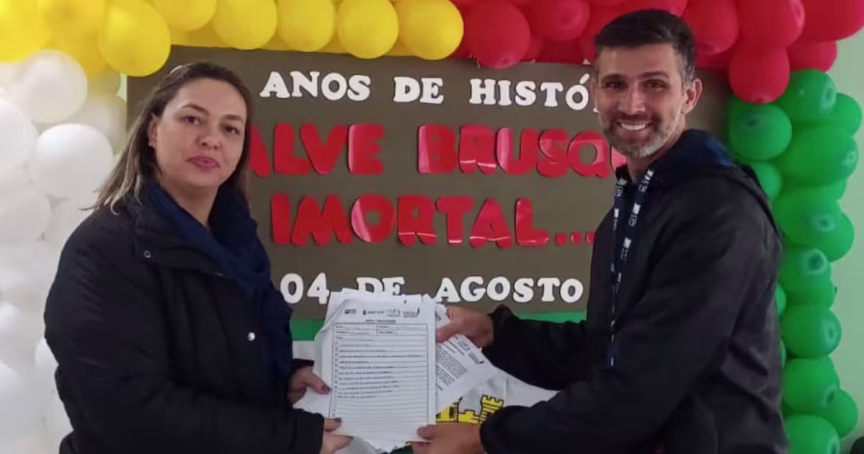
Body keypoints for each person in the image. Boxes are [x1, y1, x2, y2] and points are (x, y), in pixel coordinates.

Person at [414, 9, 786, 454]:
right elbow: (607, 349)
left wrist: (484, 438)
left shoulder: (718, 212)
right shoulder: (636, 201)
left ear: (689, 95)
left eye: (654, 84)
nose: (632, 105)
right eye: (615, 84)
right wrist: (496, 334)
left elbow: (640, 388)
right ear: (594, 92)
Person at [44, 62, 351, 454]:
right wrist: (291, 438)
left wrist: (285, 381)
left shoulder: (238, 242)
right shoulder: (105, 249)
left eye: (230, 128)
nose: (211, 139)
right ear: (153, 131)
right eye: (192, 119)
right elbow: (129, 413)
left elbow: (225, 358)